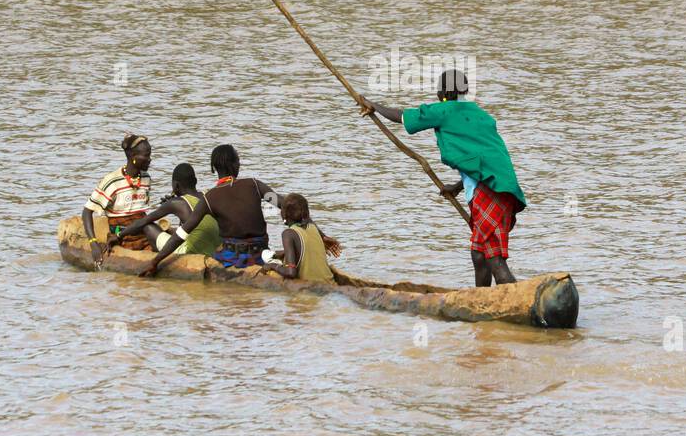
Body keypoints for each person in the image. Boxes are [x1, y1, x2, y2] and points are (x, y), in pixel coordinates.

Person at [360, 69, 526, 287]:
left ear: (445, 92)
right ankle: (482, 301)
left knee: (495, 259)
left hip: (489, 192)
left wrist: (375, 107)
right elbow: (484, 160)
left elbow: (404, 117)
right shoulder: (480, 115)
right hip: (502, 189)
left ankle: (518, 300)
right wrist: (457, 187)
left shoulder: (446, 110)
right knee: (479, 255)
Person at [199, 144, 342, 268]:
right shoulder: (254, 185)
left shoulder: (209, 198)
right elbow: (289, 207)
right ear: (233, 164)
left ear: (214, 168)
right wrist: (321, 235)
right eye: (238, 160)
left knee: (214, 253)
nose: (240, 164)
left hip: (231, 258)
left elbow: (183, 232)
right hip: (258, 255)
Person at [108, 163, 222, 277]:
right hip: (212, 248)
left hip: (193, 250)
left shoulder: (177, 203)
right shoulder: (206, 195)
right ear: (195, 181)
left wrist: (119, 235)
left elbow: (144, 221)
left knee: (148, 227)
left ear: (176, 186)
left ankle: (157, 256)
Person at [81, 134, 153, 265]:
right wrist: (93, 244)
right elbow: (87, 211)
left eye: (150, 155)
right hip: (122, 237)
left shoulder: (146, 178)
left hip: (144, 231)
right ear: (132, 157)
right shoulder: (112, 181)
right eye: (146, 155)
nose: (150, 159)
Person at [268, 193, 334, 283]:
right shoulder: (313, 228)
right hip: (330, 282)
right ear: (307, 214)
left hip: (311, 289)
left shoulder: (288, 234)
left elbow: (291, 273)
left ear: (283, 215)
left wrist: (273, 266)